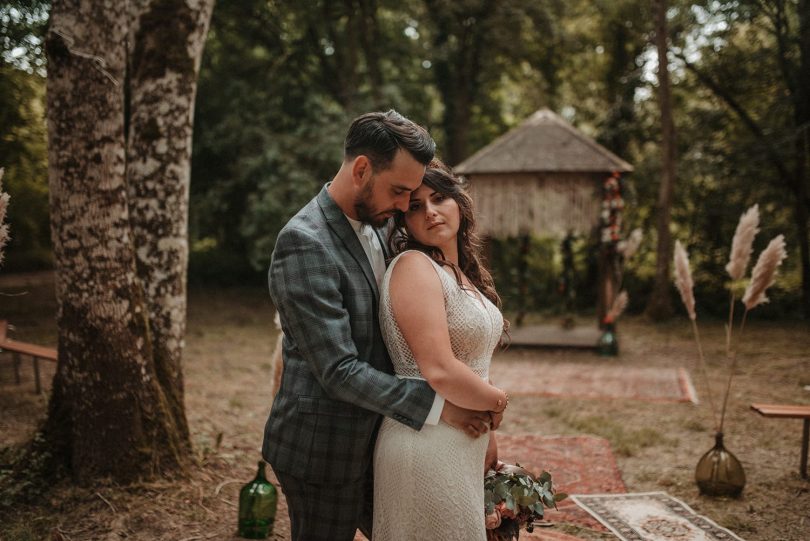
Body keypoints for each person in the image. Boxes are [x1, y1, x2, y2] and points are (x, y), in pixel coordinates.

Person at [262, 110, 495, 541]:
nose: (407, 205)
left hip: (385, 439)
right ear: (362, 169)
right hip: (323, 450)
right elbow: (339, 370)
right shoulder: (304, 243)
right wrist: (444, 407)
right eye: (401, 190)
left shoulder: (383, 223)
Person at [373, 160, 508, 540]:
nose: (430, 212)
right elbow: (440, 369)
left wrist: (489, 434)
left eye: (439, 198)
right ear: (404, 221)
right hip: (424, 439)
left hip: (463, 438)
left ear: (459, 203)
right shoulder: (414, 267)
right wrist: (498, 402)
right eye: (415, 206)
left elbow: (472, 361)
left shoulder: (460, 273)